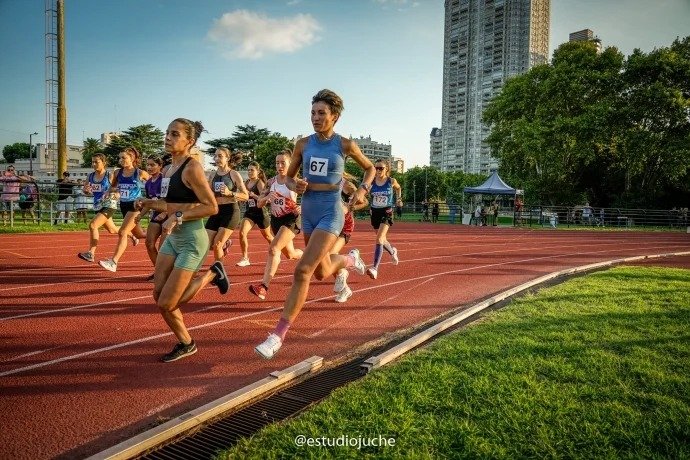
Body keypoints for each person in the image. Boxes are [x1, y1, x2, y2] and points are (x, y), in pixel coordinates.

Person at [254, 89, 375, 359]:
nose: (315, 118)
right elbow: (287, 179)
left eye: (321, 113)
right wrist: (293, 183)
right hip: (307, 210)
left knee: (302, 271)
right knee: (321, 272)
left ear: (335, 116)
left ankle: (277, 335)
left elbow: (370, 168)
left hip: (331, 211)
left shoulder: (344, 145)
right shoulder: (303, 144)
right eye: (312, 113)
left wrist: (363, 190)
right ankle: (350, 260)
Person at [134, 118, 227, 362]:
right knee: (158, 295)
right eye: (167, 133)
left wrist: (177, 215)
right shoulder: (167, 169)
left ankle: (211, 275)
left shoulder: (191, 168)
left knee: (167, 301)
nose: (168, 137)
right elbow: (169, 203)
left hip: (192, 241)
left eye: (175, 134)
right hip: (173, 238)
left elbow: (211, 207)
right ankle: (186, 342)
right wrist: (149, 203)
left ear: (190, 142)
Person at [248, 150, 304, 300]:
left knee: (274, 248)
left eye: (283, 162)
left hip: (291, 219)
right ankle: (308, 257)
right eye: (277, 163)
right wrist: (267, 197)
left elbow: (312, 197)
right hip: (276, 221)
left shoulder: (294, 182)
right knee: (290, 254)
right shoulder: (270, 182)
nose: (279, 166)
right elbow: (259, 204)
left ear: (290, 164)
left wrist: (302, 206)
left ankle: (263, 287)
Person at [98, 147, 149, 272]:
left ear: (132, 158)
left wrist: (148, 199)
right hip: (124, 205)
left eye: (124, 158)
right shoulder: (117, 173)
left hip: (135, 206)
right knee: (140, 234)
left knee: (122, 232)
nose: (120, 160)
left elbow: (154, 183)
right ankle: (156, 234)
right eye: (119, 157)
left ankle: (113, 262)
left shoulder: (140, 173)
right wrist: (108, 193)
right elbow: (113, 187)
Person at [205, 147, 248, 264]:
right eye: (215, 156)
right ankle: (226, 244)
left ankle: (220, 273)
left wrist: (230, 193)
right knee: (206, 245)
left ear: (227, 158)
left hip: (231, 211)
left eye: (220, 156)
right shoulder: (212, 175)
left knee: (217, 244)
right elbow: (208, 195)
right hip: (216, 211)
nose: (216, 158)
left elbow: (246, 195)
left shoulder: (233, 174)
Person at [331, 172, 369, 303]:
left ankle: (352, 259)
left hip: (344, 225)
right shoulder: (322, 182)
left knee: (331, 254)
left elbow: (364, 201)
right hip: (328, 222)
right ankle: (345, 289)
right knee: (325, 259)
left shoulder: (346, 185)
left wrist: (351, 207)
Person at [77, 153, 120, 263]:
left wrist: (117, 194)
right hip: (97, 205)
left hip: (109, 204)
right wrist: (86, 191)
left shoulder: (109, 175)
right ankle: (131, 234)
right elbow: (86, 191)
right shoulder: (90, 176)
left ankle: (91, 253)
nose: (94, 164)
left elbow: (119, 188)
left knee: (93, 225)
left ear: (104, 163)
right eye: (93, 162)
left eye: (97, 162)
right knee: (112, 230)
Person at [364, 158, 402, 280]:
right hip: (375, 212)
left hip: (387, 211)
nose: (378, 170)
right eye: (376, 168)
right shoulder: (372, 182)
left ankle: (374, 268)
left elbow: (398, 188)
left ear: (387, 169)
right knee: (381, 239)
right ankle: (392, 251)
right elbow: (364, 193)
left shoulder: (391, 181)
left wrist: (399, 199)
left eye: (381, 168)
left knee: (379, 238)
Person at [236, 161, 273, 267]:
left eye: (252, 170)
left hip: (260, 213)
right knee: (242, 232)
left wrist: (253, 195)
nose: (249, 172)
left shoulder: (260, 183)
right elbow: (243, 196)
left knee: (268, 236)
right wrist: (241, 198)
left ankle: (277, 250)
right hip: (250, 213)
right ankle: (245, 258)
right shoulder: (246, 182)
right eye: (248, 170)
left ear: (257, 171)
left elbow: (265, 200)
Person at [137, 155, 166, 280]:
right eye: (148, 165)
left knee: (164, 249)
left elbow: (168, 200)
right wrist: (140, 215)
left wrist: (164, 213)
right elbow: (149, 203)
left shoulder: (164, 180)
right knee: (149, 244)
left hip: (168, 216)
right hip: (155, 216)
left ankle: (167, 273)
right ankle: (159, 272)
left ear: (160, 166)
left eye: (153, 165)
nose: (149, 167)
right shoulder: (148, 183)